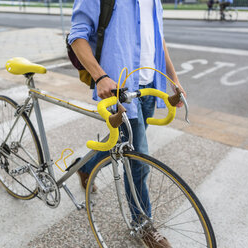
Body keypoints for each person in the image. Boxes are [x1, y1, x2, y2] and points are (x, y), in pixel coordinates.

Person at [68, 0, 186, 247]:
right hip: (118, 89)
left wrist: (173, 79)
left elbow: (158, 39)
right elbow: (77, 37)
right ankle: (143, 224)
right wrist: (100, 77)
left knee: (123, 142)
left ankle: (84, 167)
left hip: (148, 88)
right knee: (139, 162)